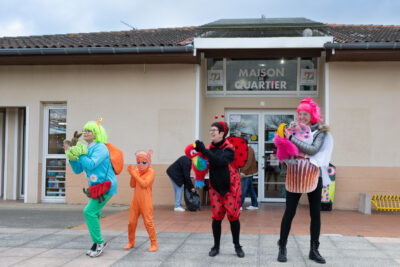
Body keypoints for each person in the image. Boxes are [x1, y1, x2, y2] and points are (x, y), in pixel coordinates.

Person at [277, 97, 333, 264]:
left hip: (315, 175)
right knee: (289, 212)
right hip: (295, 173)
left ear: (312, 115)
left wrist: (291, 139)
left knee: (315, 213)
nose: (301, 117)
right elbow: (285, 149)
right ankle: (282, 247)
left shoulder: (321, 132)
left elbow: (313, 150)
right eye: (300, 114)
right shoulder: (293, 129)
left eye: (305, 114)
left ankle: (314, 250)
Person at [64, 120, 117, 258]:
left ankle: (99, 243)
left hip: (106, 186)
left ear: (96, 133)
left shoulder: (101, 148)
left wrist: (80, 153)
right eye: (85, 130)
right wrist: (71, 155)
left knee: (89, 212)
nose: (85, 132)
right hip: (95, 188)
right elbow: (77, 170)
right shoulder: (87, 148)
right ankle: (95, 243)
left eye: (89, 130)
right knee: (95, 214)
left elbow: (92, 164)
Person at [194, 121, 245, 258]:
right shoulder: (209, 149)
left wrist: (204, 150)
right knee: (216, 217)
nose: (211, 132)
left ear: (222, 133)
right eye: (211, 130)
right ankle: (216, 246)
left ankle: (237, 246)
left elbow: (220, 161)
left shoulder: (229, 148)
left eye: (214, 130)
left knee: (233, 217)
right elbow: (202, 164)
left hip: (231, 187)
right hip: (215, 187)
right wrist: (197, 155)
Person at [125, 150, 158, 252]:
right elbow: (132, 185)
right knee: (131, 223)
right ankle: (131, 242)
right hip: (135, 201)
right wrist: (132, 174)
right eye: (138, 162)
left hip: (146, 202)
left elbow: (144, 184)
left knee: (148, 222)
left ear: (148, 162)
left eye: (144, 162)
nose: (141, 165)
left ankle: (154, 244)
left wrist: (134, 174)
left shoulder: (151, 172)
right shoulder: (137, 172)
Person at [240, 140, 258, 210]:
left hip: (247, 173)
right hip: (248, 172)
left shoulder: (249, 150)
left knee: (243, 190)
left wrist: (242, 172)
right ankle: (255, 204)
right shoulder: (246, 149)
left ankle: (240, 206)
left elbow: (248, 162)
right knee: (251, 189)